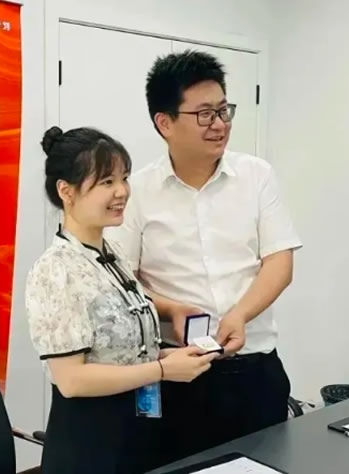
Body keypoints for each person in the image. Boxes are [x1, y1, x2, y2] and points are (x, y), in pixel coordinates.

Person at [105, 50, 303, 465]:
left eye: (224, 110)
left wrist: (240, 314)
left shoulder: (256, 176)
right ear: (165, 123)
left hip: (255, 368)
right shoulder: (137, 192)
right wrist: (171, 308)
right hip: (178, 373)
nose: (220, 124)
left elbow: (279, 263)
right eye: (205, 114)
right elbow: (121, 282)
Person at [24, 125, 219, 474]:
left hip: (136, 431)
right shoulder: (56, 270)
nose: (122, 191)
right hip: (91, 444)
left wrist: (169, 355)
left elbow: (119, 352)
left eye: (124, 178)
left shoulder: (110, 253)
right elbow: (72, 380)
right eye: (106, 182)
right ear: (66, 191)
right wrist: (162, 369)